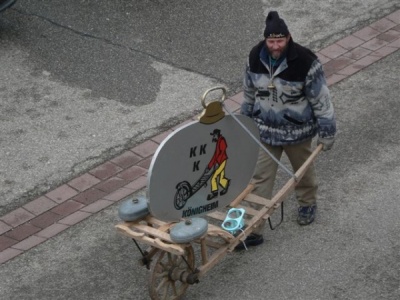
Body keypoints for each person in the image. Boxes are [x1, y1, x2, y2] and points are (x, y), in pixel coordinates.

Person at [238, 11, 336, 249]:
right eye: (271, 41)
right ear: (265, 40)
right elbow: (249, 92)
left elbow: (321, 98)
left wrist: (327, 129)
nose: (275, 46)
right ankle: (254, 228)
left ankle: (307, 203)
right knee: (260, 178)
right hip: (266, 131)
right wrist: (245, 118)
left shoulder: (305, 61)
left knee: (302, 172)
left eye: (280, 41)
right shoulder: (254, 57)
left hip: (296, 132)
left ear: (288, 37)